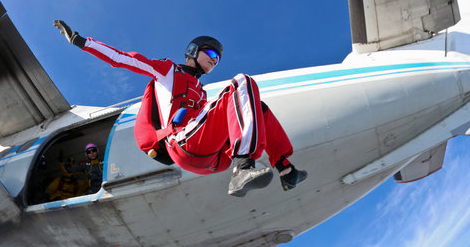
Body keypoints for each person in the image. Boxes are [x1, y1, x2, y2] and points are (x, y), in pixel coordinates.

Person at [54, 20, 306, 197]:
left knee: (255, 106)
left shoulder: (202, 93)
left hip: (212, 157)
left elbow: (221, 118)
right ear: (193, 51)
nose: (214, 60)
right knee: (242, 82)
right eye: (210, 53)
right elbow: (123, 59)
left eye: (217, 60)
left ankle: (285, 168)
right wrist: (81, 41)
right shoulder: (167, 71)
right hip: (182, 142)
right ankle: (243, 168)